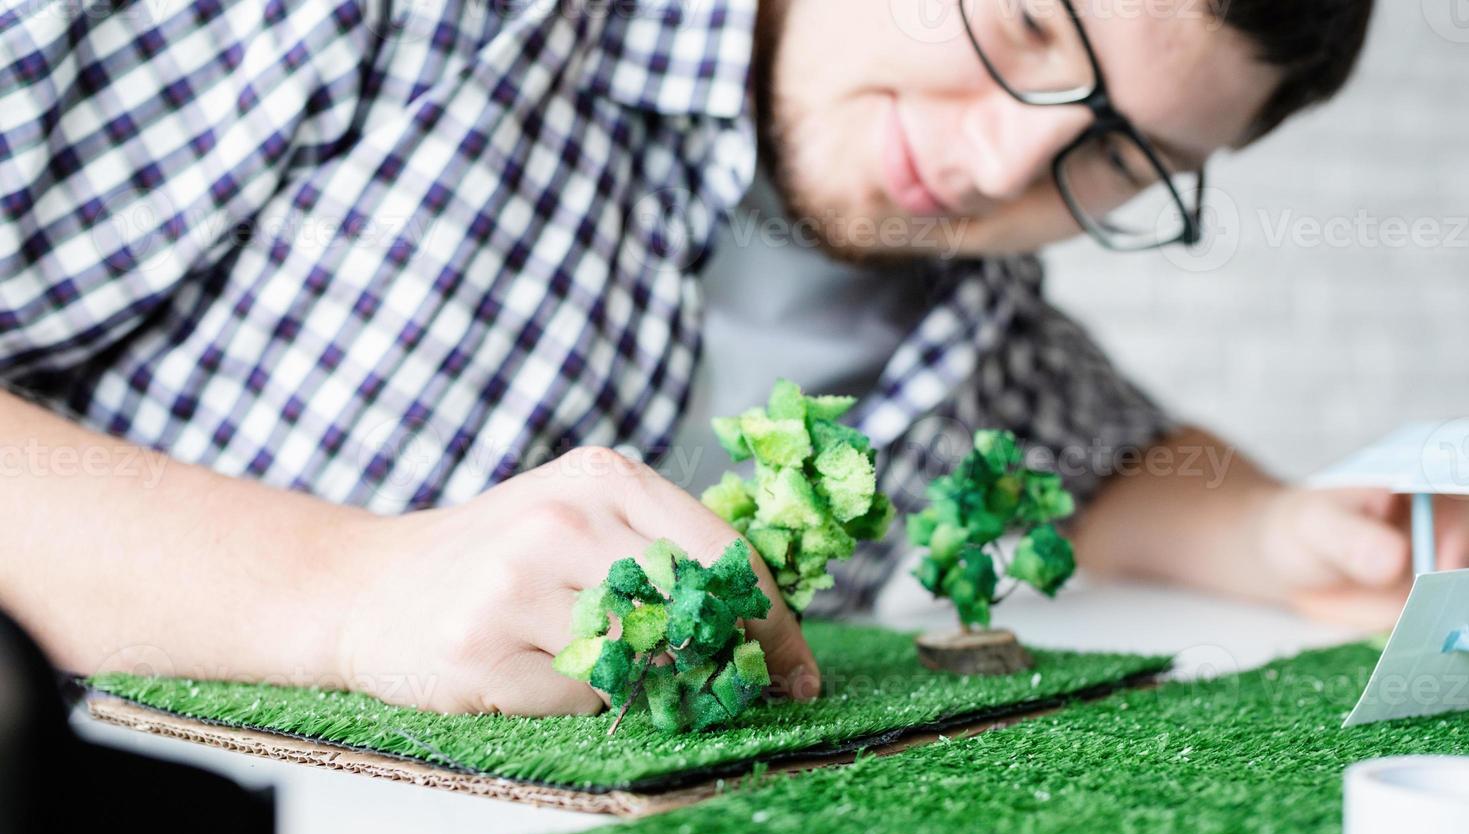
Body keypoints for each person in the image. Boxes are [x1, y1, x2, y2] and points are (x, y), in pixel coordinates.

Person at [1, 0, 1447, 718]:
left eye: (1120, 151)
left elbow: (1093, 464)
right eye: (1019, 27)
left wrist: (1287, 531)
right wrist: (343, 592)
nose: (1004, 159)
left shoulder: (966, 299)